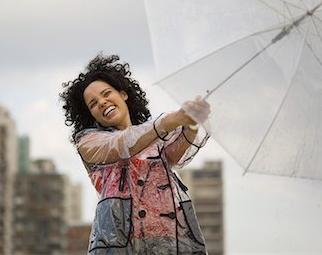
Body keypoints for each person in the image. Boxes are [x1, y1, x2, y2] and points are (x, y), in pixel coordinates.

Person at [60, 54, 211, 254]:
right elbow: (121, 145)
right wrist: (172, 120)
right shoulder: (89, 143)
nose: (102, 103)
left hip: (169, 242)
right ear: (90, 114)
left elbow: (176, 155)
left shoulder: (153, 136)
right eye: (93, 103)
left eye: (107, 94)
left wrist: (191, 123)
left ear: (123, 94)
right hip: (119, 247)